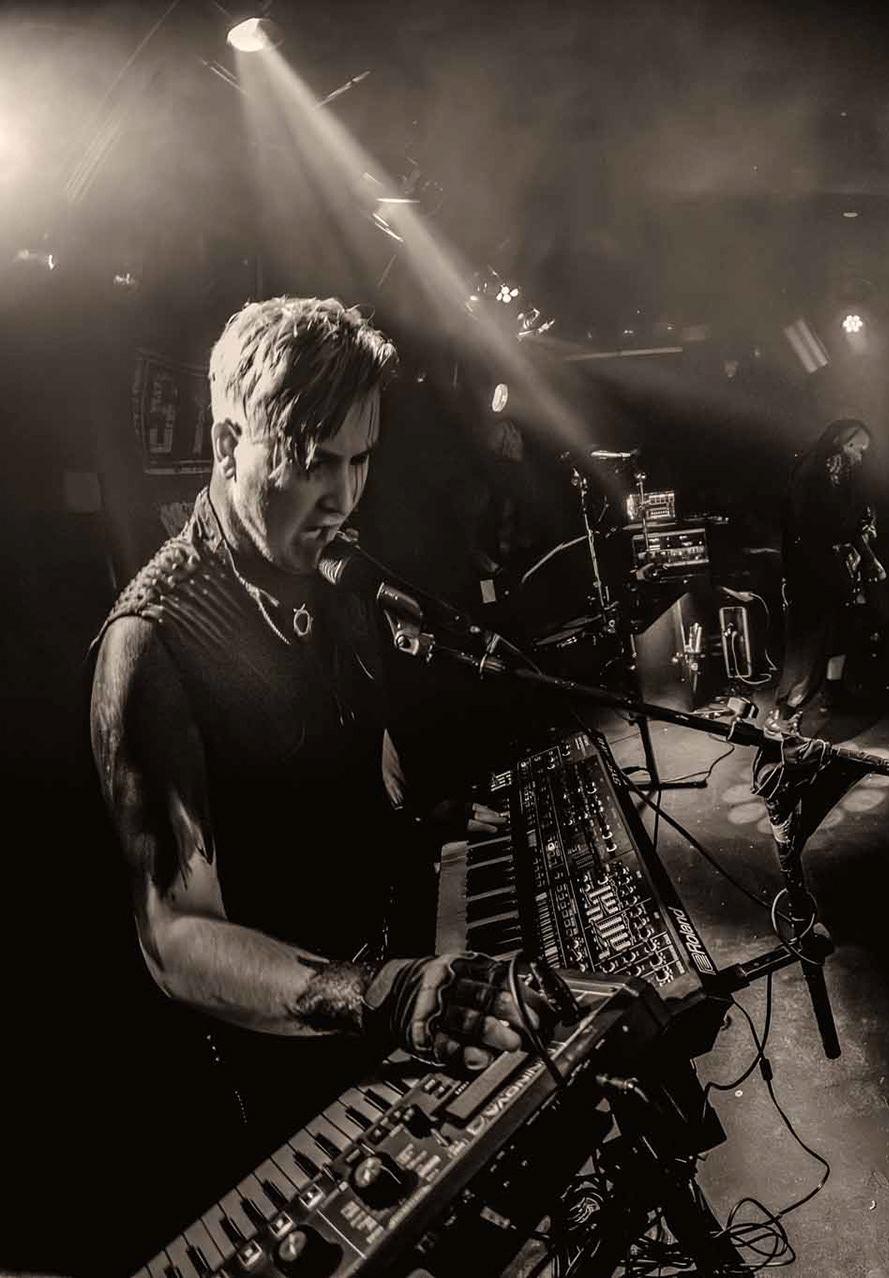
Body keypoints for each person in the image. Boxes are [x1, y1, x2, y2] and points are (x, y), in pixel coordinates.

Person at [88, 298, 557, 1165]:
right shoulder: (152, 645)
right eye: (312, 464)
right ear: (228, 445)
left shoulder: (332, 572)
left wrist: (433, 820)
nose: (341, 497)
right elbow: (175, 938)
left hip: (389, 1007)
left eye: (360, 459)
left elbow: (360, 762)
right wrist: (382, 996)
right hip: (283, 1078)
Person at [772, 418, 875, 731]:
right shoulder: (810, 474)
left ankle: (831, 693)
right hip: (811, 572)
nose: (861, 456)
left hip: (832, 568)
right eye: (858, 449)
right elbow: (810, 527)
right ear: (842, 443)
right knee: (809, 645)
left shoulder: (840, 473)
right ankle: (786, 712)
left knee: (839, 632)